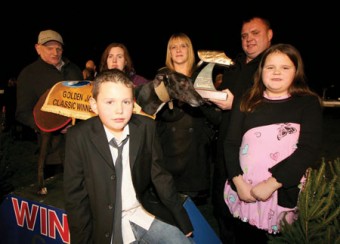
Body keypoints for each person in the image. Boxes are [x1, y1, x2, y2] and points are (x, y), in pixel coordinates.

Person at [63, 69, 194, 244]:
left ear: (133, 102)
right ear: (94, 105)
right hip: (105, 225)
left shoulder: (146, 127)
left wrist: (182, 219)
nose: (119, 110)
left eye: (126, 102)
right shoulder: (78, 137)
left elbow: (161, 177)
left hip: (143, 213)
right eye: (109, 102)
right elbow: (75, 198)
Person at [223, 43, 323, 242]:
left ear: (296, 71)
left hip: (282, 193)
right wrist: (238, 182)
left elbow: (308, 149)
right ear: (261, 72)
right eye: (270, 67)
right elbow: (231, 143)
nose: (276, 72)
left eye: (285, 67)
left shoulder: (307, 103)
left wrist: (271, 184)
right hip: (246, 193)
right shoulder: (247, 100)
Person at [209, 16, 274, 243]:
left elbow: (274, 108)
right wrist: (199, 100)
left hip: (255, 159)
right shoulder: (233, 66)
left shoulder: (274, 65)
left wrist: (234, 104)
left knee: (251, 222)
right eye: (244, 36)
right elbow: (222, 115)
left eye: (255, 33)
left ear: (269, 35)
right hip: (225, 152)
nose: (249, 39)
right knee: (222, 211)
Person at [155, 33, 220, 205]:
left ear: (189, 50)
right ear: (169, 52)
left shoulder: (202, 76)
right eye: (173, 47)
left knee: (193, 213)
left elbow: (215, 115)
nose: (178, 50)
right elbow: (158, 115)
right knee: (170, 209)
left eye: (183, 46)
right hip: (169, 149)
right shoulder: (162, 77)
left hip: (195, 152)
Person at [16, 29, 83, 167]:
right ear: (38, 48)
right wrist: (50, 126)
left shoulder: (74, 70)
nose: (55, 52)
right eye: (49, 48)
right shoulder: (28, 74)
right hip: (52, 152)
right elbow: (23, 113)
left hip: (81, 146)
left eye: (59, 48)